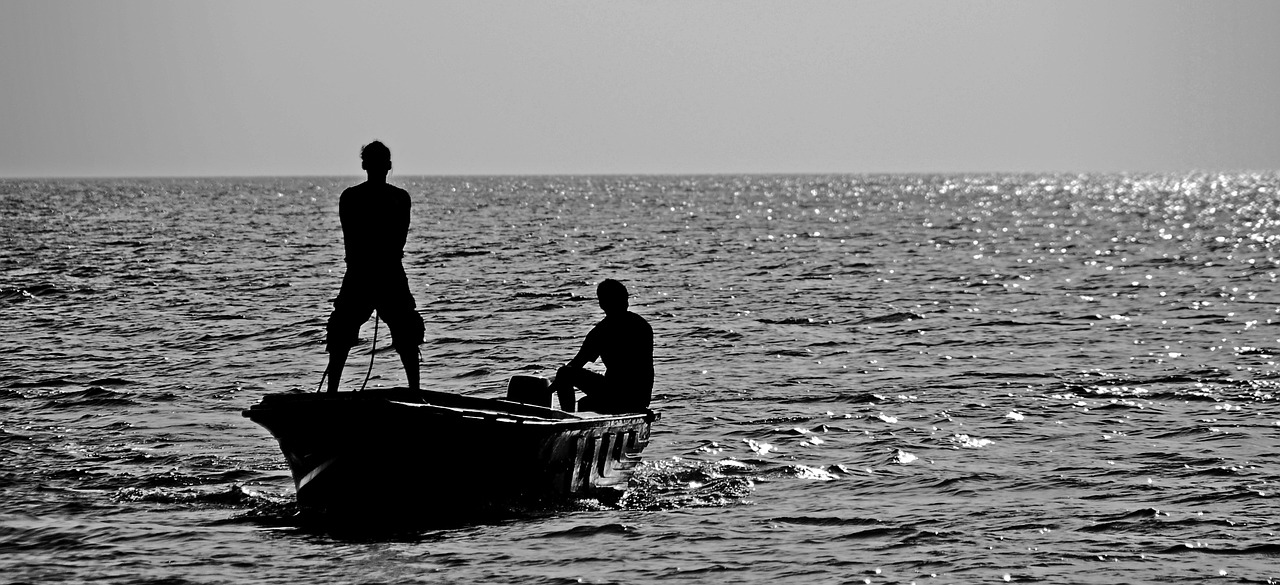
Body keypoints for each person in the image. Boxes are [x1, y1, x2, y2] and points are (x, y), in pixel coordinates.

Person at [324, 141, 424, 392]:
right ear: (388, 166)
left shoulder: (352, 198)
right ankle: (415, 391)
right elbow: (399, 238)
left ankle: (332, 392)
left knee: (343, 333)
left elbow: (352, 239)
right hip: (385, 273)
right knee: (405, 333)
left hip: (362, 273)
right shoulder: (399, 199)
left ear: (364, 165)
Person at [549, 279, 654, 413]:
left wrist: (550, 388)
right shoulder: (642, 325)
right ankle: (571, 420)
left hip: (625, 396)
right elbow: (577, 363)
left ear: (602, 304)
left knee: (564, 373)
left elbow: (574, 366)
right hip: (639, 397)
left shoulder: (602, 331)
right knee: (584, 403)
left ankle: (567, 418)